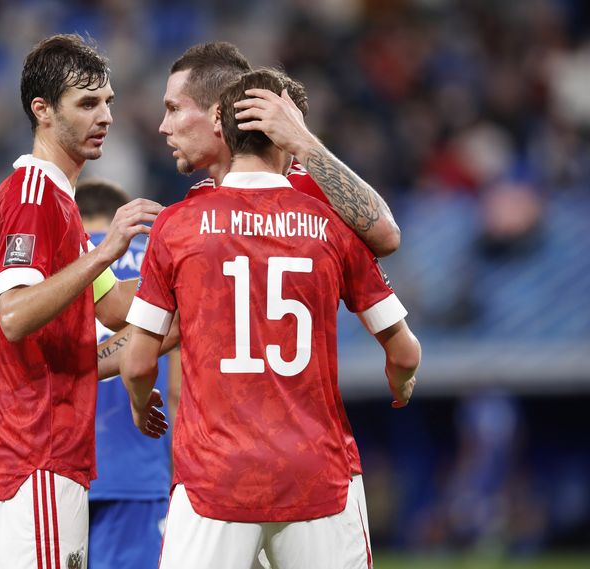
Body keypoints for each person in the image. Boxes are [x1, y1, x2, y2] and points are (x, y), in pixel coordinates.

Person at [122, 69, 421, 568]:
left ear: (221, 123)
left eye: (174, 108)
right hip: (316, 473)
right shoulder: (327, 221)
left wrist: (138, 400)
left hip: (213, 478)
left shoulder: (177, 225)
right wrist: (401, 380)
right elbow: (405, 350)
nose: (163, 126)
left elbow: (137, 361)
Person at [0, 34, 165, 569]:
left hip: (49, 449)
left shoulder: (60, 205)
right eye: (87, 103)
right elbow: (13, 315)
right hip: (34, 450)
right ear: (43, 111)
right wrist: (107, 251)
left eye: (108, 102)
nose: (105, 116)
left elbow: (117, 308)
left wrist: (196, 295)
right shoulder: (34, 196)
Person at [159, 42, 400, 258]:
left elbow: (386, 236)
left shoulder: (305, 186)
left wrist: (302, 140)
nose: (163, 127)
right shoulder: (194, 203)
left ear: (218, 114)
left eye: (174, 108)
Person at [75, 178, 175, 569]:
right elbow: (181, 388)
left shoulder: (57, 259)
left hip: (51, 469)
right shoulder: (157, 257)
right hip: (136, 473)